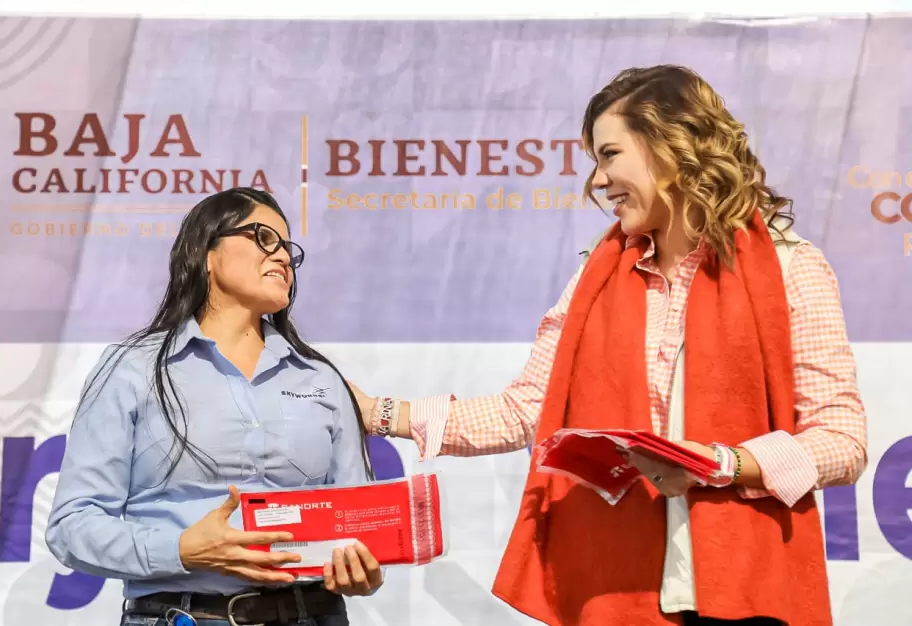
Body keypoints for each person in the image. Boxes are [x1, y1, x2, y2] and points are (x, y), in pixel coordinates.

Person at [351, 65, 867, 626]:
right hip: (617, 594)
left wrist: (722, 464)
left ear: (673, 146)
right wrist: (378, 413)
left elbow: (841, 439)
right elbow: (523, 410)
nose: (598, 180)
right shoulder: (594, 280)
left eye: (610, 154)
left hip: (748, 594)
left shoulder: (792, 267)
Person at [46, 188, 384, 626]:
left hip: (311, 613)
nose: (282, 257)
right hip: (180, 614)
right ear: (206, 252)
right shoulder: (132, 368)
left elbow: (356, 525)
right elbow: (72, 526)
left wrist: (362, 569)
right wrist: (182, 549)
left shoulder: (322, 379)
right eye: (264, 238)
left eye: (288, 249)